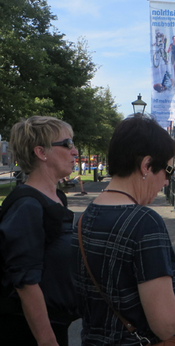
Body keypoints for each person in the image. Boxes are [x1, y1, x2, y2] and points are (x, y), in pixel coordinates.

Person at [73, 114, 175, 345]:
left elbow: (116, 285)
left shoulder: (85, 217)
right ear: (147, 166)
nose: (167, 182)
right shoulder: (145, 223)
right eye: (168, 172)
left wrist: (169, 285)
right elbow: (166, 325)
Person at [0, 116, 80, 345]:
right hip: (28, 332)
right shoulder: (28, 206)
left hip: (59, 324)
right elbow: (25, 282)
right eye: (67, 144)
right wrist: (48, 341)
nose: (74, 151)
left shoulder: (57, 199)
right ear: (41, 152)